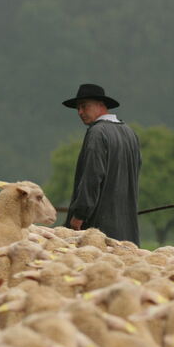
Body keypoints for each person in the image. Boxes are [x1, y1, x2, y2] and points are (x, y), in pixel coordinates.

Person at [62, 84, 142, 246]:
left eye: (84, 106)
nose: (80, 112)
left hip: (99, 231)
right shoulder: (130, 132)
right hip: (127, 230)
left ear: (101, 105)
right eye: (78, 108)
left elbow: (92, 177)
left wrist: (79, 215)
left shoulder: (97, 133)